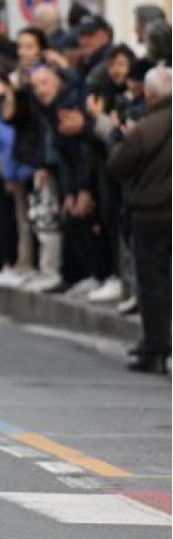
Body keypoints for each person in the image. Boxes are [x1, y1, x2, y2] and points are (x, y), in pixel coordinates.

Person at [106, 66, 171, 374]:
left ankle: (157, 345)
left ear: (148, 94)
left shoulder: (145, 129)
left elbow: (117, 165)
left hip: (152, 213)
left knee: (153, 282)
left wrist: (118, 137)